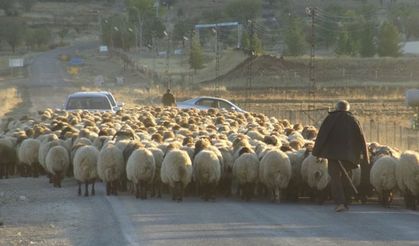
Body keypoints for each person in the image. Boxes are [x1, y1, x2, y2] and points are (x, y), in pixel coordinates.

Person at [312, 100, 370, 212]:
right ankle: (347, 200)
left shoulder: (330, 119)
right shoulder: (353, 119)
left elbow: (322, 135)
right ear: (347, 109)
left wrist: (317, 152)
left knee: (335, 178)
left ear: (336, 108)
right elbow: (361, 137)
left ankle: (340, 202)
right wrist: (364, 155)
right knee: (347, 177)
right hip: (349, 156)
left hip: (333, 155)